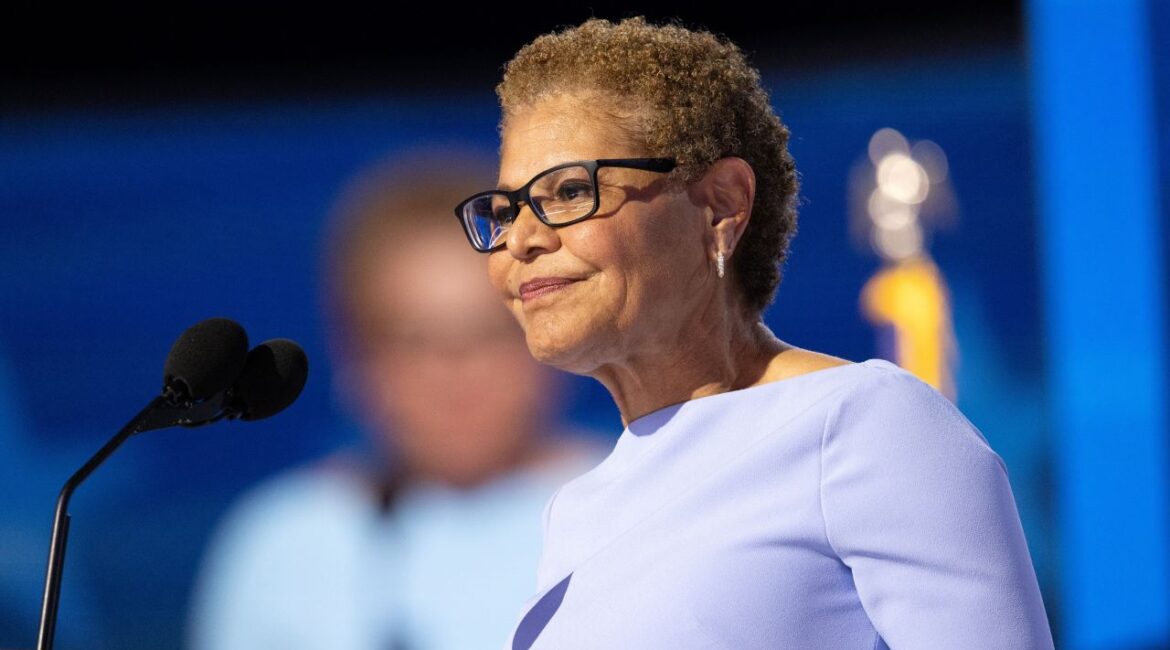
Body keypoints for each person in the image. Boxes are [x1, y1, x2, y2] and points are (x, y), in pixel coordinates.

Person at [451, 18, 1054, 649]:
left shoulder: (863, 425)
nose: (520, 238)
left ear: (721, 205)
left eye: (570, 190)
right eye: (503, 210)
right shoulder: (576, 507)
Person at [188, 152, 602, 650]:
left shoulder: (636, 513)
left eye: (491, 332)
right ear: (356, 358)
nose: (458, 372)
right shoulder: (285, 545)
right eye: (417, 339)